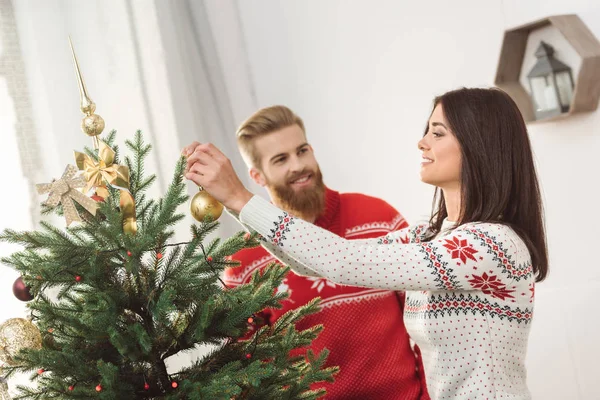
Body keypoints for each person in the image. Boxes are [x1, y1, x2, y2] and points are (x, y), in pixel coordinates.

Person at [184, 88, 548, 400]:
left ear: (477, 145)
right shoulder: (428, 235)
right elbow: (315, 263)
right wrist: (239, 208)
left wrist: (239, 197)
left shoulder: (491, 244)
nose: (421, 142)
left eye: (437, 134)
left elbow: (344, 259)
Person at [183, 105, 428, 400]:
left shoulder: (381, 220)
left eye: (302, 151)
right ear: (257, 177)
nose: (298, 165)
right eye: (281, 159)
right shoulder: (245, 263)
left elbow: (428, 325)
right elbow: (246, 371)